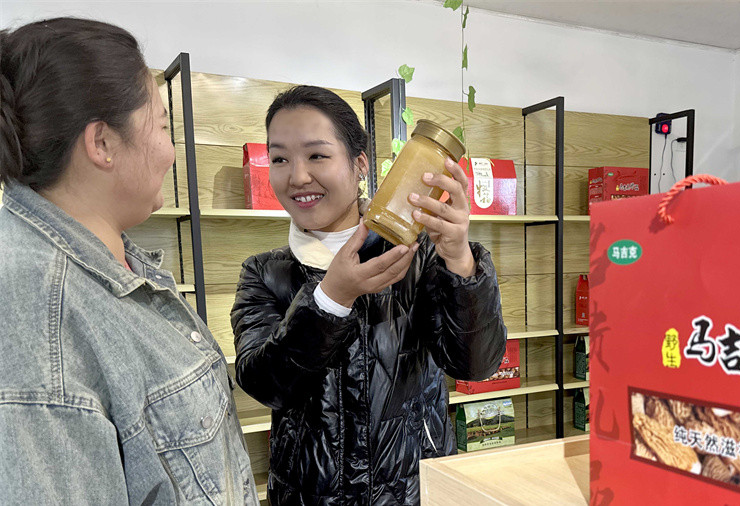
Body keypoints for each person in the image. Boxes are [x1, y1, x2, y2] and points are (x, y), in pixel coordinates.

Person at [0, 18, 258, 504]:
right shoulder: (36, 312)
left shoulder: (119, 265)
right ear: (102, 143)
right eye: (162, 125)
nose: (171, 152)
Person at [231, 85, 508, 504]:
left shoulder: (418, 255)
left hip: (413, 491)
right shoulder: (264, 273)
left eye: (317, 155)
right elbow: (264, 384)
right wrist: (331, 298)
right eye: (280, 159)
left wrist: (460, 261)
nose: (297, 176)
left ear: (360, 163)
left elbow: (477, 364)